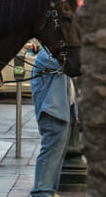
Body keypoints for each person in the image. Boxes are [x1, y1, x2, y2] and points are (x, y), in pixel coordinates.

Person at [30, 43, 77, 197]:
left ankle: (48, 191)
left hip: (61, 112)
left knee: (57, 155)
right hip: (52, 112)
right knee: (50, 153)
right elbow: (68, 64)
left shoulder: (54, 54)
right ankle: (41, 192)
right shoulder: (46, 55)